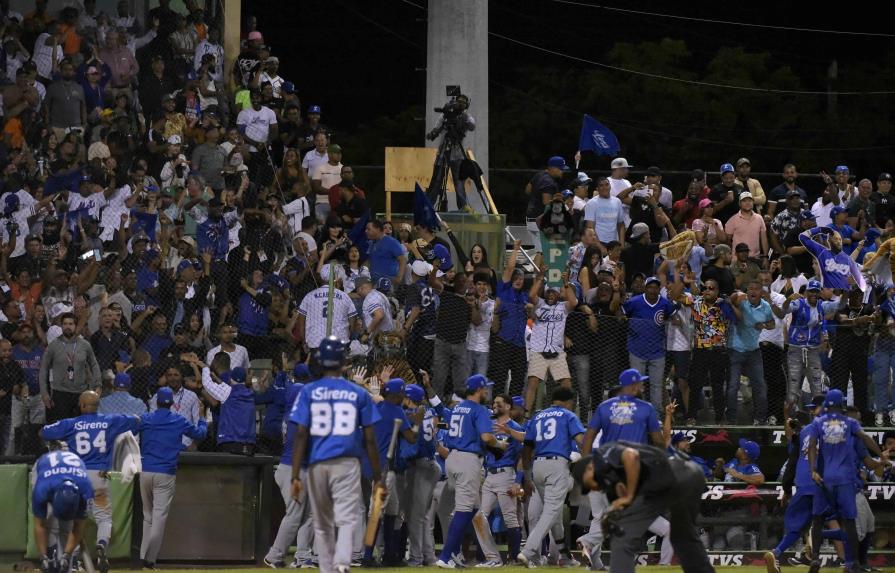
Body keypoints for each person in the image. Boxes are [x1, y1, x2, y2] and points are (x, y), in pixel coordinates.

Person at [290, 336, 383, 573]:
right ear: (344, 361)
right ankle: (342, 565)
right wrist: (378, 476)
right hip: (347, 463)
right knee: (347, 519)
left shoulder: (309, 391)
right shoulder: (358, 393)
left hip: (317, 464)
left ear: (320, 360)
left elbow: (300, 435)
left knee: (322, 524)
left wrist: (295, 475)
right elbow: (370, 440)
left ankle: (327, 569)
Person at [573, 441, 715, 573]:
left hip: (673, 474)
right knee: (683, 537)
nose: (593, 487)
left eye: (588, 483)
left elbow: (631, 455)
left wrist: (628, 496)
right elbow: (623, 508)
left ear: (589, 468)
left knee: (622, 539)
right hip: (691, 476)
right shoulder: (608, 481)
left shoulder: (601, 454)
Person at [40, 390, 141, 573]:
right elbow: (136, 422)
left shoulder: (71, 423)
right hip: (101, 476)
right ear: (97, 405)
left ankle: (75, 561)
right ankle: (101, 543)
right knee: (104, 518)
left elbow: (44, 432)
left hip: (77, 477)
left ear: (82, 405)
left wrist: (61, 439)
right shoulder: (111, 420)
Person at [806, 389, 882, 573]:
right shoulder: (850, 423)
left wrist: (813, 470)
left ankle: (815, 558)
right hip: (845, 479)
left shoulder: (818, 422)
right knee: (849, 522)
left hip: (824, 478)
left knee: (818, 519)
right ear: (842, 404)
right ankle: (853, 563)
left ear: (826, 405)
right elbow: (866, 438)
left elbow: (812, 446)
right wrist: (881, 456)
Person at [435, 374, 506, 569]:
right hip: (468, 460)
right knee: (463, 510)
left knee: (473, 510)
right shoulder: (479, 409)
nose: (487, 392)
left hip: (451, 459)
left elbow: (441, 411)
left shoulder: (458, 407)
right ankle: (446, 555)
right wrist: (500, 444)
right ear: (478, 390)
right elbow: (486, 437)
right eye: (485, 388)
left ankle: (464, 554)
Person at [138, 386, 208, 569]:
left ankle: (142, 557)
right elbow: (200, 434)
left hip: (145, 471)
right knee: (159, 517)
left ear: (157, 402)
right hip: (165, 473)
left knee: (147, 517)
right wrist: (201, 417)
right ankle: (149, 560)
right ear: (172, 403)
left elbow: (131, 430)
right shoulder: (178, 420)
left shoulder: (145, 418)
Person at [518, 387, 584, 568]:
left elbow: (526, 450)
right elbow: (581, 441)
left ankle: (566, 557)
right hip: (557, 466)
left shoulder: (537, 417)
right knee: (550, 512)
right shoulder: (568, 415)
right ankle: (528, 551)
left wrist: (527, 475)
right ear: (569, 401)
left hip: (537, 466)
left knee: (554, 515)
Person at [476, 394, 523, 567]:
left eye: (499, 403)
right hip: (489, 475)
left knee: (510, 518)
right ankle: (489, 558)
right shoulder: (488, 427)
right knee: (479, 517)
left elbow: (521, 458)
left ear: (509, 407)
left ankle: (514, 558)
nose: (495, 405)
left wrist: (517, 481)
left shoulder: (515, 428)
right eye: (494, 403)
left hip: (506, 474)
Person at [621, 275, 681, 412]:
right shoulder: (635, 301)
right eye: (650, 287)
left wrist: (675, 319)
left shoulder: (664, 303)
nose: (653, 290)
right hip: (636, 349)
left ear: (659, 289)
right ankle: (637, 412)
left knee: (657, 385)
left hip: (657, 351)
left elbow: (673, 315)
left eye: (656, 287)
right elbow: (621, 312)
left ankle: (655, 415)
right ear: (645, 288)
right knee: (636, 384)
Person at [523, 261, 577, 411]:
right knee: (533, 382)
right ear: (545, 293)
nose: (551, 294)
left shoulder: (563, 307)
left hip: (557, 352)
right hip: (538, 350)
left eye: (554, 292)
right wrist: (540, 277)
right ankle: (527, 415)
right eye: (549, 292)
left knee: (566, 384)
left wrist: (566, 283)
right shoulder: (539, 303)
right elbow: (531, 295)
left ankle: (568, 415)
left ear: (558, 294)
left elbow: (573, 302)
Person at [31, 448, 94, 573]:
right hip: (43, 467)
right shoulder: (41, 489)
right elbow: (39, 526)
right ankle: (50, 554)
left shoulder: (87, 491)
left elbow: (78, 526)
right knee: (49, 523)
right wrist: (42, 556)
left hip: (73, 470)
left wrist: (67, 555)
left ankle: (67, 560)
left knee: (67, 527)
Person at [38, 313, 102, 423]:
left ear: (76, 326)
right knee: (62, 429)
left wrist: (98, 384)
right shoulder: (53, 345)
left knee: (80, 426)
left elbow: (94, 364)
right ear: (61, 326)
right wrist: (44, 393)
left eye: (71, 324)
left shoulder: (85, 345)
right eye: (65, 324)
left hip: (81, 393)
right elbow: (43, 369)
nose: (68, 326)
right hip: (60, 394)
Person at [727, 282, 775, 425]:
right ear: (747, 291)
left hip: (754, 350)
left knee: (760, 385)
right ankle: (731, 419)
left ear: (762, 292)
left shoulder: (766, 307)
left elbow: (772, 323)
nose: (753, 291)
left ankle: (760, 419)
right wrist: (736, 296)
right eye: (750, 289)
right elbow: (732, 299)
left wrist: (765, 325)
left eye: (756, 289)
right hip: (735, 349)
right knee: (733, 385)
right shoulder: (742, 302)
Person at [525, 157, 565, 251]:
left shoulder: (540, 174)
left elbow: (527, 190)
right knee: (543, 252)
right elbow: (546, 203)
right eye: (561, 169)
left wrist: (536, 196)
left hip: (530, 217)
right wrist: (557, 201)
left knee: (539, 250)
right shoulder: (549, 182)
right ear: (553, 168)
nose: (562, 172)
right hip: (539, 221)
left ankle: (537, 265)